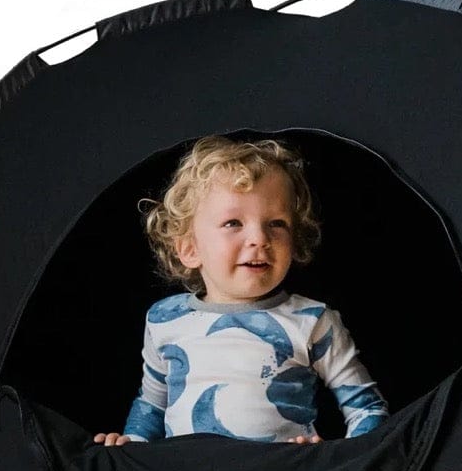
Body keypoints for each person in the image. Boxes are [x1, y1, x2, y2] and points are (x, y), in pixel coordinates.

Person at [91, 135, 389, 447]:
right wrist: (129, 448)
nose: (259, 238)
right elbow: (152, 405)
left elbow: (367, 408)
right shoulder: (164, 319)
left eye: (277, 223)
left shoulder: (313, 320)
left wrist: (332, 461)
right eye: (233, 223)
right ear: (190, 249)